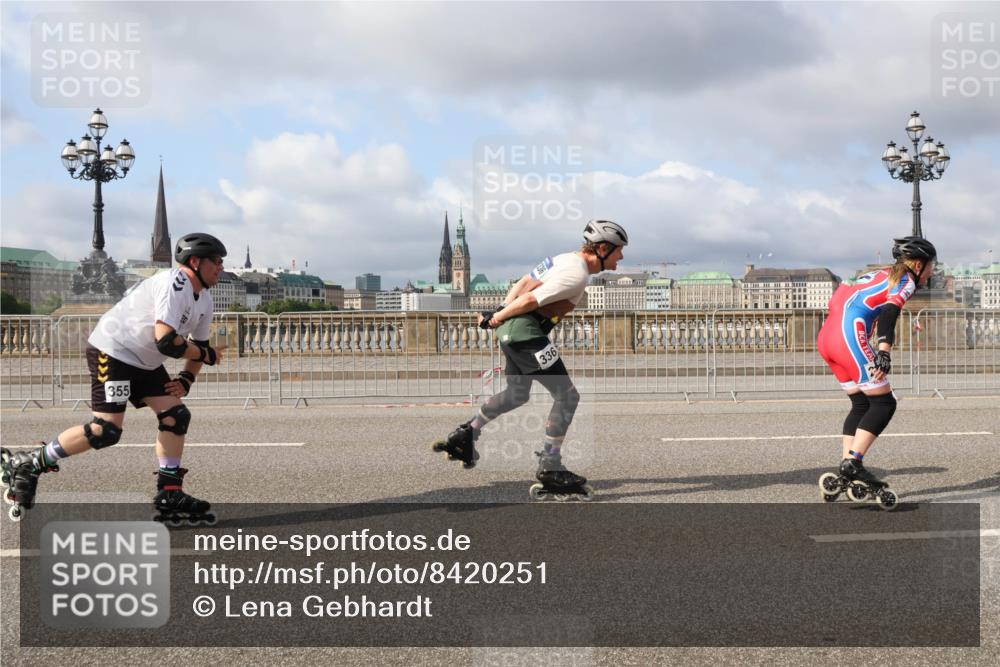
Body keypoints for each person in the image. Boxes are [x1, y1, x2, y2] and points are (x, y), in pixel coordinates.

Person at [1, 233, 228, 523]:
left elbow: (201, 350)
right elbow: (167, 342)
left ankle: (169, 491)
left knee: (176, 414)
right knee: (106, 430)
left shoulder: (204, 299)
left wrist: (186, 379)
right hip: (114, 352)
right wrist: (204, 356)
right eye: (216, 261)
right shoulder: (176, 283)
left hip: (144, 361)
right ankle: (31, 462)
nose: (220, 267)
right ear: (195, 261)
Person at [432, 220, 628, 500]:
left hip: (513, 333)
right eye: (619, 251)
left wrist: (496, 314)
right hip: (527, 335)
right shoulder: (577, 274)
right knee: (568, 396)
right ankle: (550, 465)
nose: (621, 257)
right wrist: (497, 317)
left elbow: (524, 282)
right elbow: (530, 300)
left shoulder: (563, 259)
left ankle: (467, 434)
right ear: (603, 248)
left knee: (517, 394)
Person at [816, 235, 937, 508]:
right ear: (918, 264)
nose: (932, 272)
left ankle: (847, 464)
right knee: (884, 402)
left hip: (827, 337)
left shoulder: (876, 275)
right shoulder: (904, 279)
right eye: (932, 266)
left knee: (861, 403)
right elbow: (890, 311)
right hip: (849, 335)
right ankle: (853, 464)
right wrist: (883, 349)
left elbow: (837, 299)